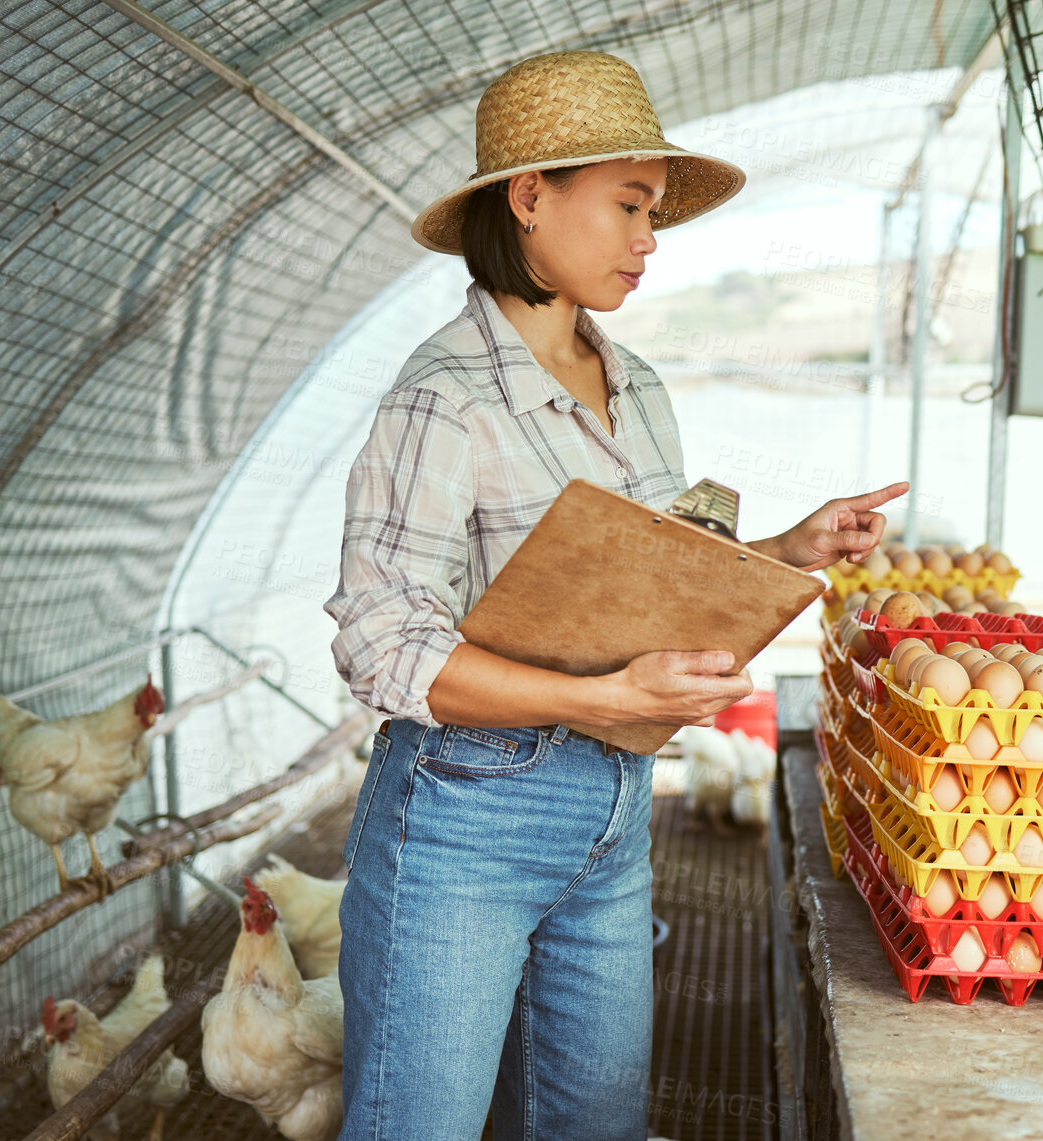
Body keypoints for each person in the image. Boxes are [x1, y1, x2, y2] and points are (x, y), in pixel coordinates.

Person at [323, 50, 906, 1141]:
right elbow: (381, 645)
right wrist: (596, 702)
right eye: (628, 206)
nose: (649, 239)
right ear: (529, 197)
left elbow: (669, 569)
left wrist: (788, 546)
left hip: (613, 819)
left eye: (654, 212)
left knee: (593, 1122)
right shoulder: (443, 402)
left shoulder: (636, 386)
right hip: (464, 820)